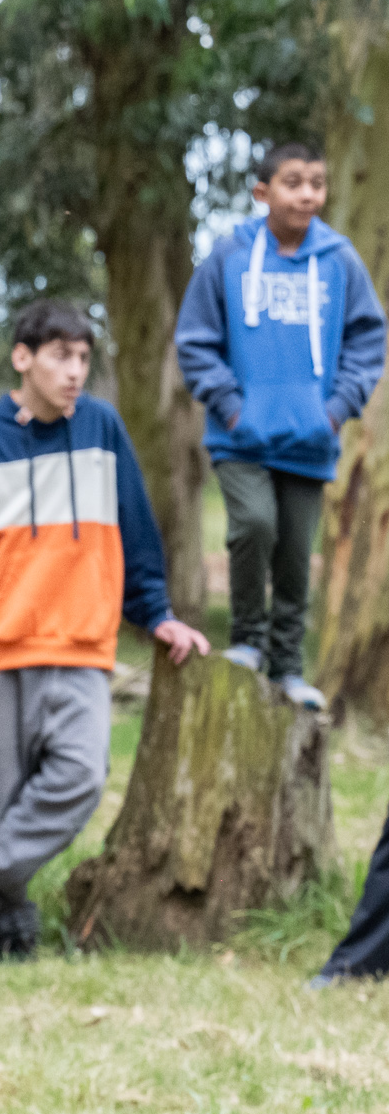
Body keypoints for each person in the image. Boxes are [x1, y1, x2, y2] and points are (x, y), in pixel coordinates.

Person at [0, 299, 210, 963]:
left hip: (81, 646)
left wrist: (155, 612)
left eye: (82, 358)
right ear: (23, 358)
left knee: (78, 776)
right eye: (60, 357)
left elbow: (135, 533)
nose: (74, 372)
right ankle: (5, 931)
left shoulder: (102, 430)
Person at [174, 139, 386, 711]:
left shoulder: (339, 261)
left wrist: (335, 410)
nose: (308, 194)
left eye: (317, 183)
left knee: (296, 553)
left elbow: (368, 342)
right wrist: (232, 405)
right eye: (294, 182)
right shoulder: (228, 257)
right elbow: (195, 340)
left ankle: (289, 669)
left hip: (312, 439)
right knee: (255, 526)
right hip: (239, 436)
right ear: (263, 192)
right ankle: (246, 641)